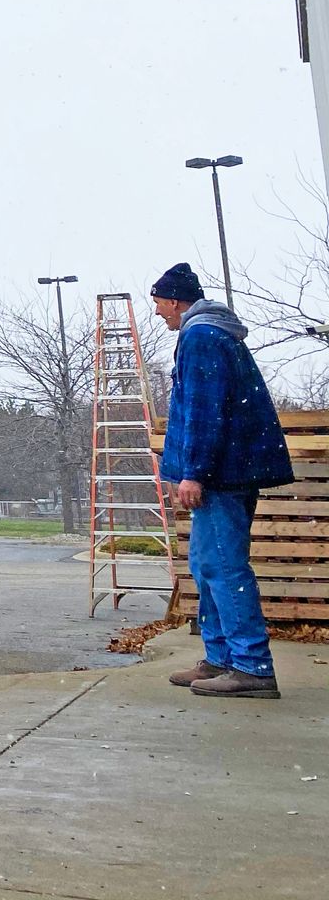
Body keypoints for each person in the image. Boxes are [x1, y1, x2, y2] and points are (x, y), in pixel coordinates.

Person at [152, 261, 294, 700]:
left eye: (159, 304)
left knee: (225, 567)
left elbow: (202, 410)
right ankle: (220, 659)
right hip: (228, 471)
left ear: (176, 301)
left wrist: (192, 473)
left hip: (220, 476)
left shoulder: (200, 337)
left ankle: (251, 667)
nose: (158, 313)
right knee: (207, 565)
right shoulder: (213, 334)